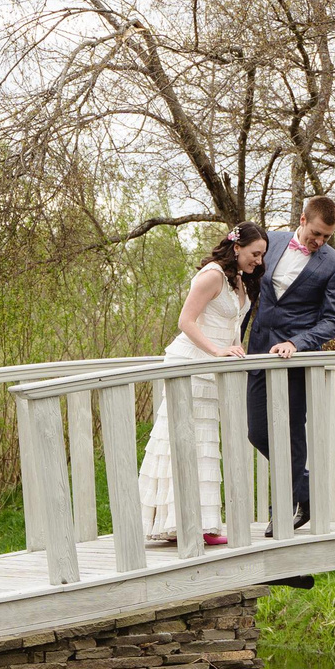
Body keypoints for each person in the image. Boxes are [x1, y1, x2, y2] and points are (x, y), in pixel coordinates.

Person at [139, 222, 266, 544]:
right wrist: (216, 352)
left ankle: (193, 524)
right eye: (255, 254)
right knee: (183, 442)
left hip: (211, 369)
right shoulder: (212, 275)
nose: (259, 261)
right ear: (237, 247)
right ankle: (182, 524)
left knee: (203, 445)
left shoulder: (238, 280)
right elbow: (186, 321)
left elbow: (232, 325)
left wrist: (233, 357)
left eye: (262, 256)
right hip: (191, 363)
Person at [243, 196, 335, 528]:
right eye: (316, 233)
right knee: (258, 433)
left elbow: (333, 321)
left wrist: (297, 344)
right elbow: (245, 284)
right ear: (302, 220)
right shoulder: (269, 241)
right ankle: (307, 488)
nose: (319, 242)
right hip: (258, 350)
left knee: (290, 433)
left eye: (326, 237)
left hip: (296, 359)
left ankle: (281, 515)